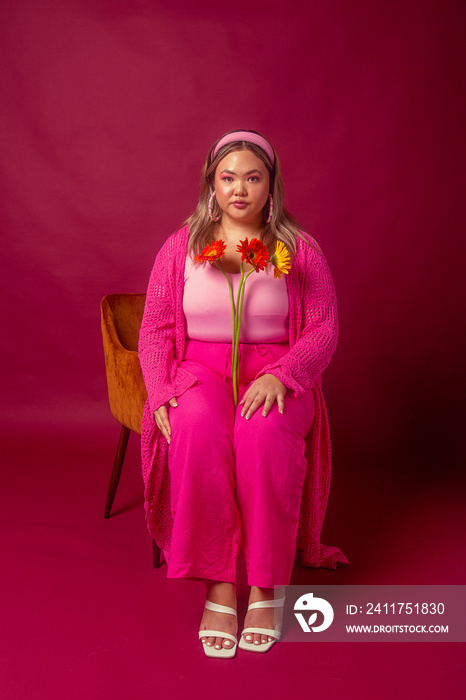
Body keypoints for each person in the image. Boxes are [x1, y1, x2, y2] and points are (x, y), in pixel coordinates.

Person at [138, 130, 347, 658]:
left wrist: (287, 373)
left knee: (265, 436)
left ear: (270, 185)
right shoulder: (182, 246)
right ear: (211, 183)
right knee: (199, 430)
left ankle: (264, 586)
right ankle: (218, 586)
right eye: (228, 177)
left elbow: (323, 327)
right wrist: (162, 388)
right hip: (199, 370)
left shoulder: (298, 249)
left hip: (277, 369)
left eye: (253, 177)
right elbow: (157, 328)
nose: (239, 189)